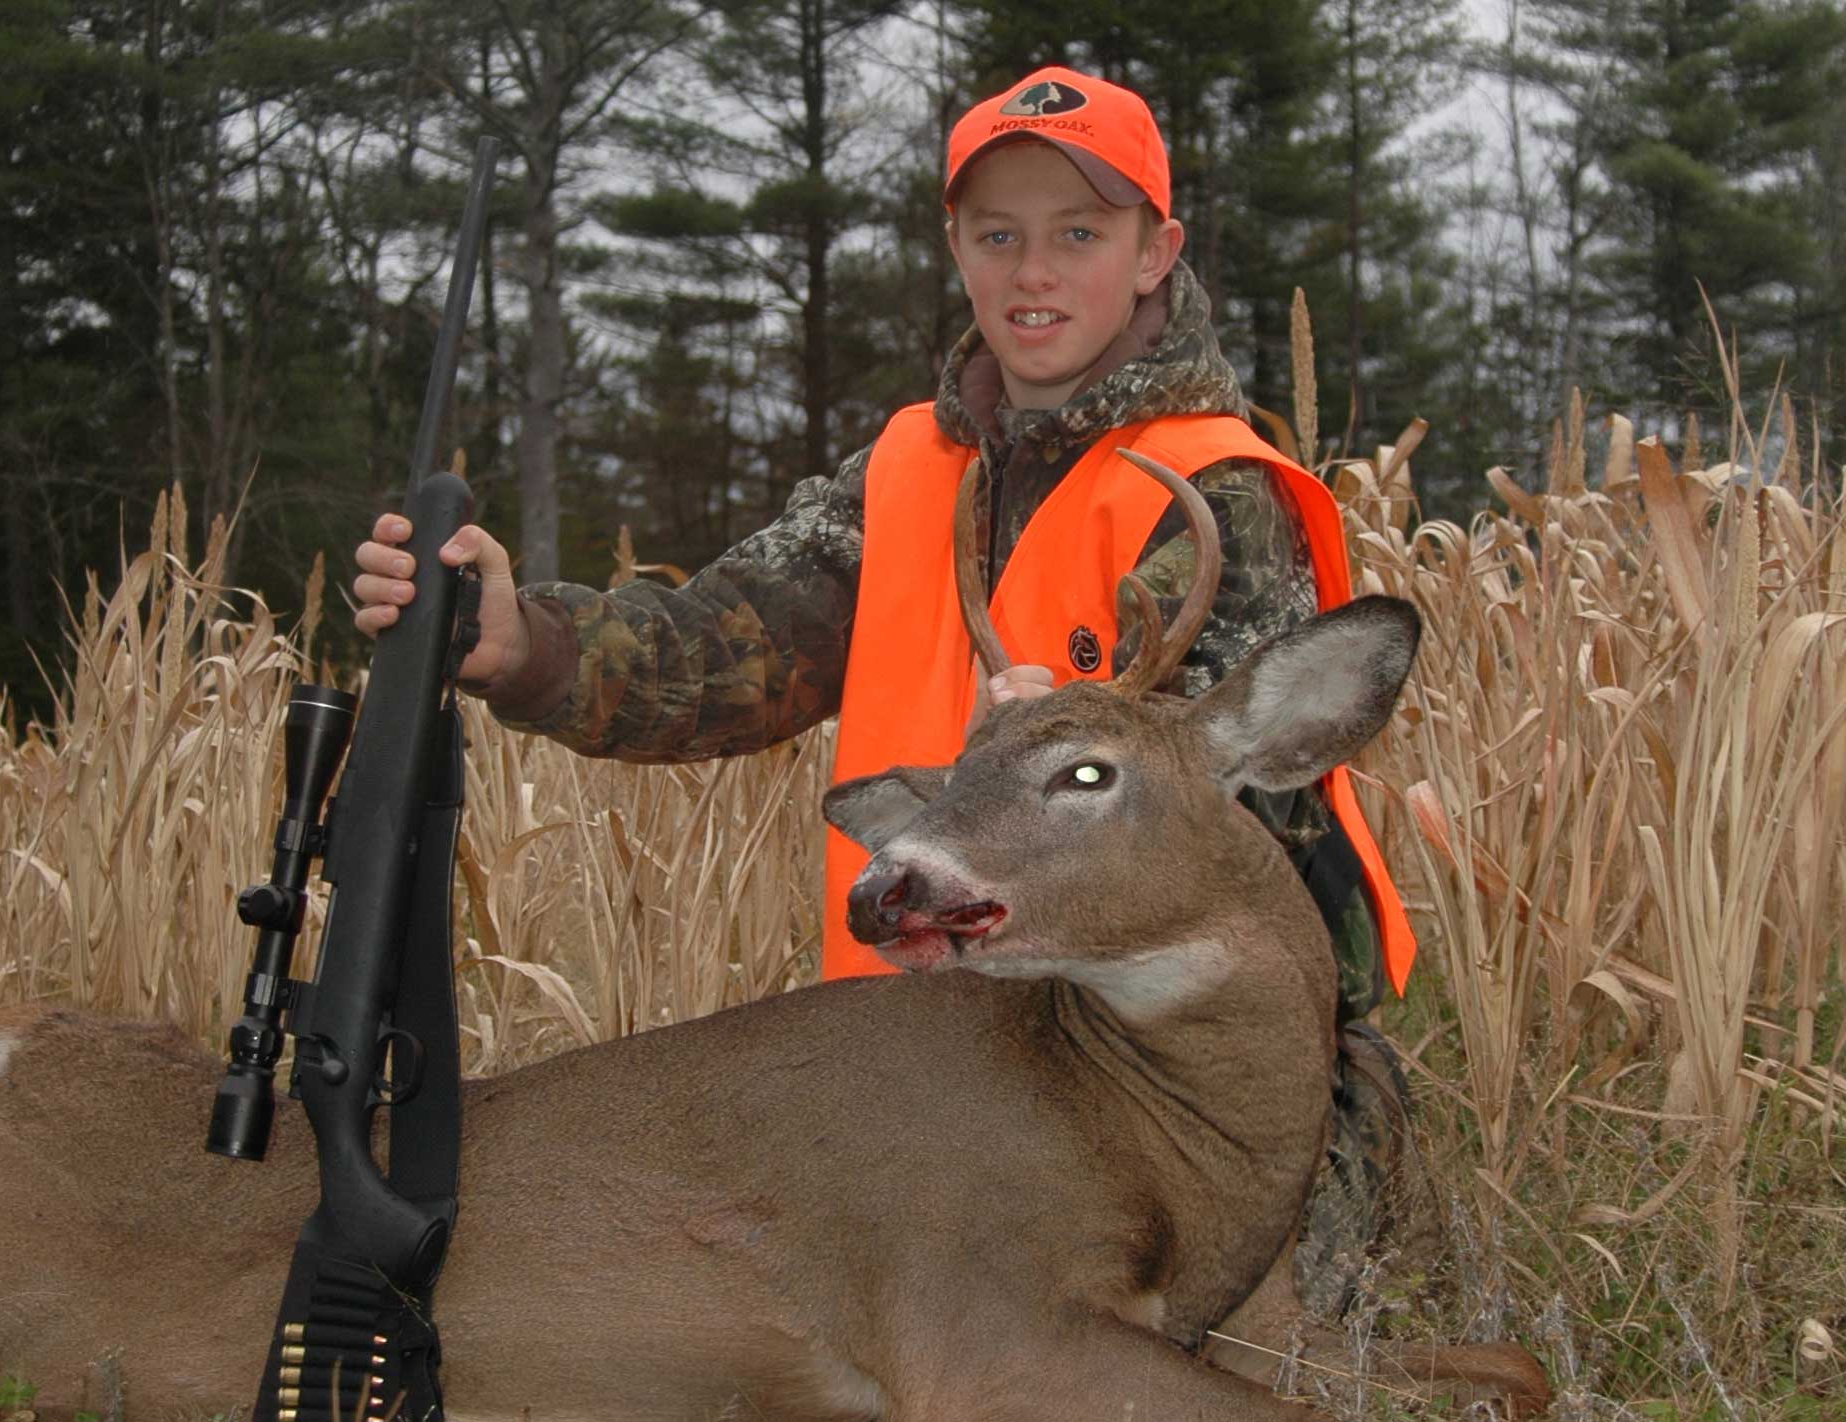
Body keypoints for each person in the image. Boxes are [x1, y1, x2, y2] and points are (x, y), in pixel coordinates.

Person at [354, 65, 1417, 1314]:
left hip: (1164, 1081)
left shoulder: (1217, 494)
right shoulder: (911, 472)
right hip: (924, 1054)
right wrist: (520, 640)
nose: (1034, 273)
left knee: (1210, 1356)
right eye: (999, 234)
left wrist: (1077, 759)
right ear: (955, 247)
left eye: (1081, 233)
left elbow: (1261, 851)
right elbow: (722, 652)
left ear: (1155, 252)